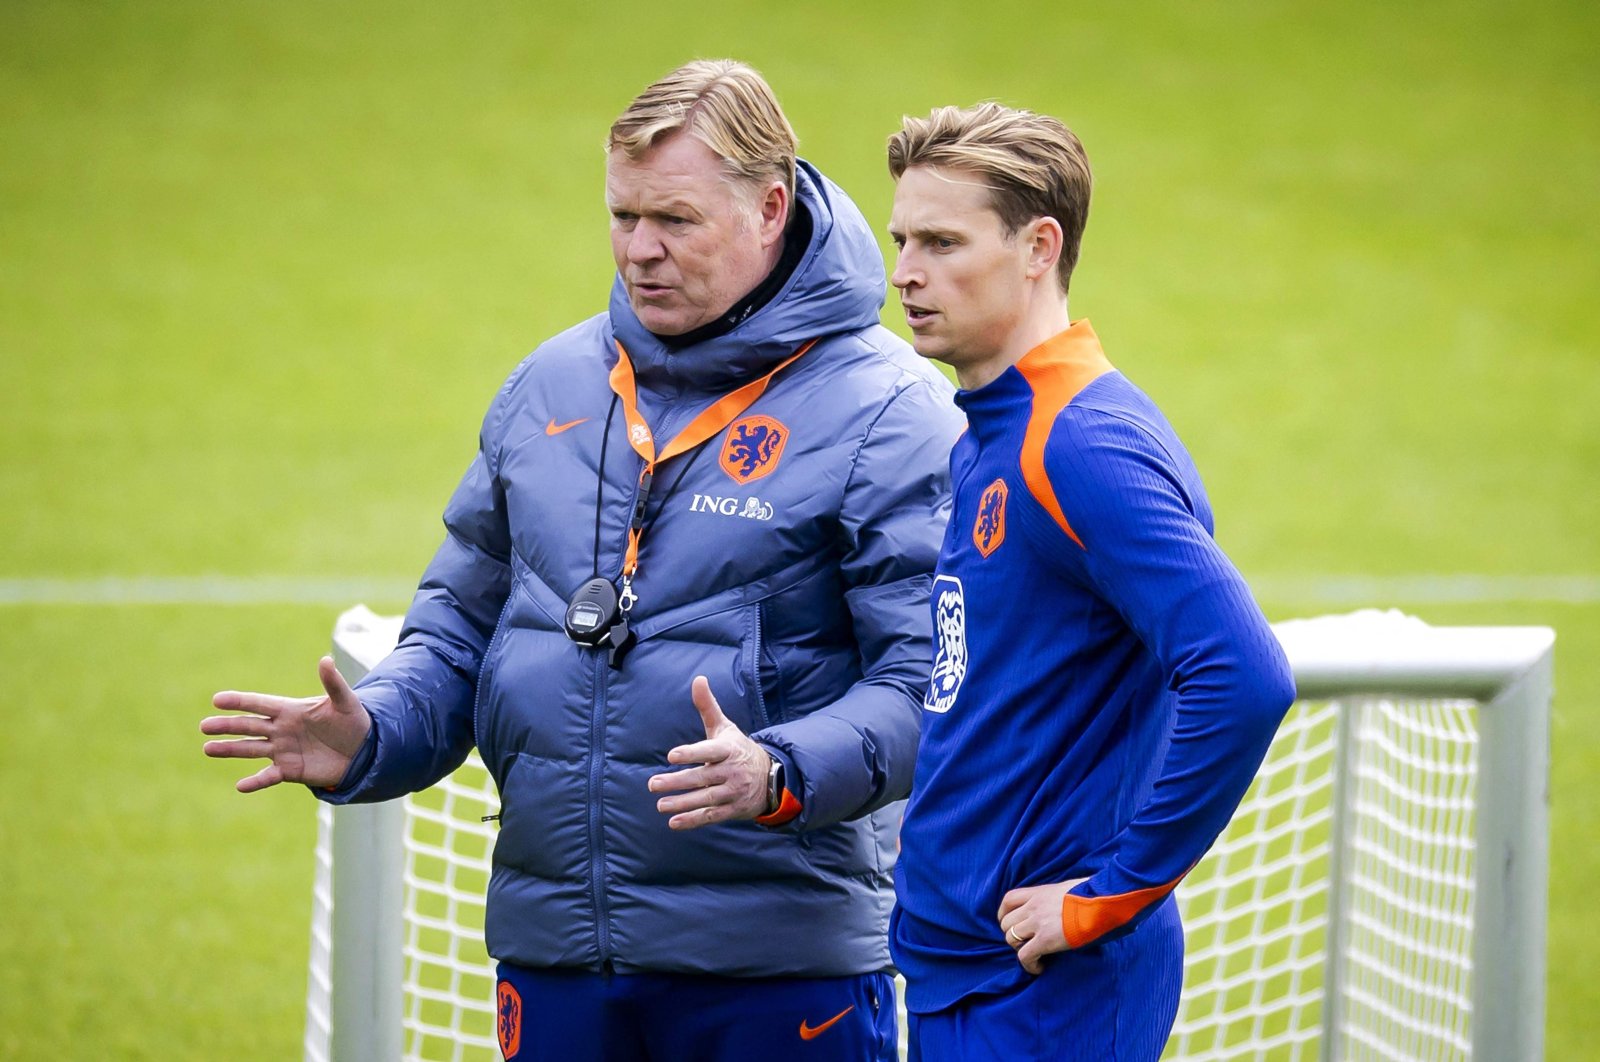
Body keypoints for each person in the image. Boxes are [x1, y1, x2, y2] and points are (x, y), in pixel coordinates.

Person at [202, 60, 962, 1062]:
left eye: (676, 221)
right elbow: (462, 627)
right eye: (623, 216)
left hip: (778, 973)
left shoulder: (889, 413)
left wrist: (780, 770)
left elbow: (931, 684)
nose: (640, 251)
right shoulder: (549, 384)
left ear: (771, 207)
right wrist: (379, 728)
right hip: (556, 956)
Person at [883, 103, 1297, 1061]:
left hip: (1041, 992)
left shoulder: (1080, 446)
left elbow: (1245, 674)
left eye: (944, 242)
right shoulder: (992, 433)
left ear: (1039, 248)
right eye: (903, 238)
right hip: (968, 973)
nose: (906, 271)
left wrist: (1108, 894)